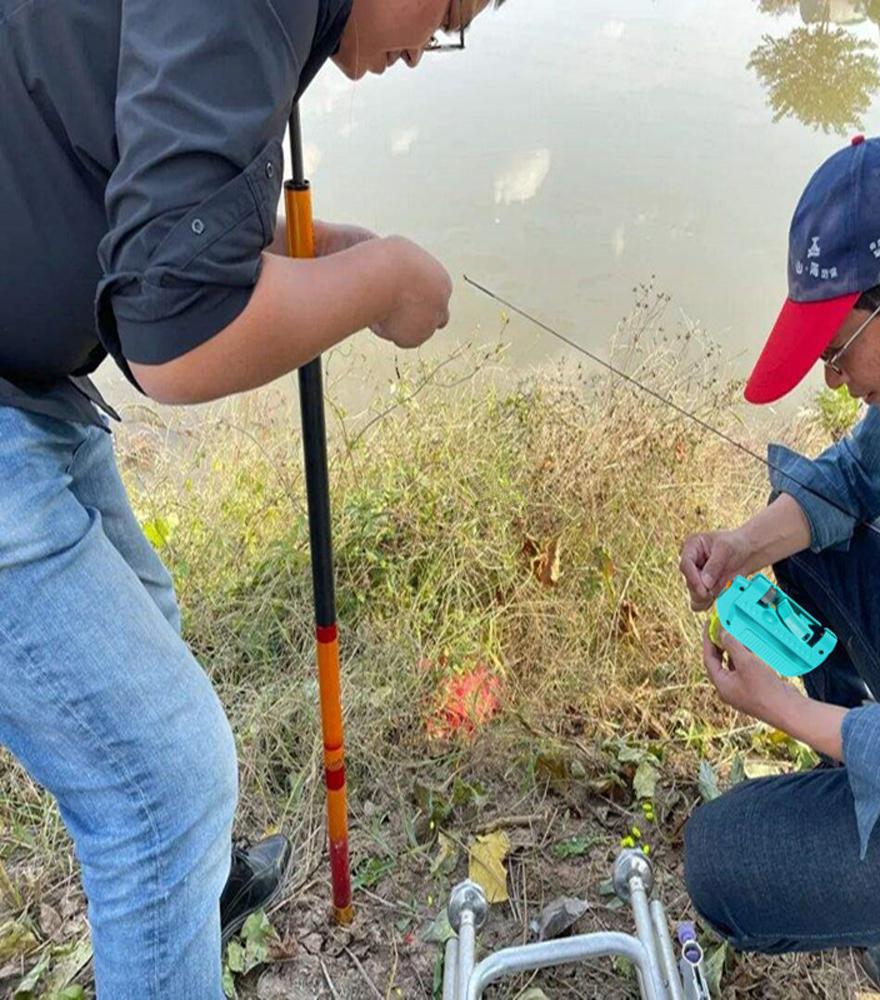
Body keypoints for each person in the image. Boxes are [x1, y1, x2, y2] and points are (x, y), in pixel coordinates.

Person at [0, 0, 504, 996]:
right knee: (165, 781)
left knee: (147, 614)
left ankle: (195, 896)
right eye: (450, 12)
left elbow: (157, 208)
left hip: (32, 382)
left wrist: (328, 255)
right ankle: (171, 868)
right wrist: (382, 281)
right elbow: (176, 334)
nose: (422, 53)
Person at [678, 135, 880, 1000]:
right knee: (808, 537)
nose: (831, 376)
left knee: (720, 864)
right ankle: (876, 766)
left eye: (838, 347)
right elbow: (853, 478)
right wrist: (743, 545)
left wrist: (785, 709)